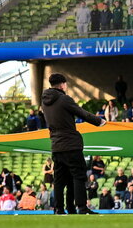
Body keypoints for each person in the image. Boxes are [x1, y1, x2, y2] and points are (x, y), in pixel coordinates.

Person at [42, 72, 105, 214]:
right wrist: (100, 121)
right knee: (78, 175)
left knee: (60, 179)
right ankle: (82, 207)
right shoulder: (64, 99)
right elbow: (82, 113)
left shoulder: (45, 101)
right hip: (70, 144)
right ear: (63, 84)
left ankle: (60, 209)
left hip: (56, 146)